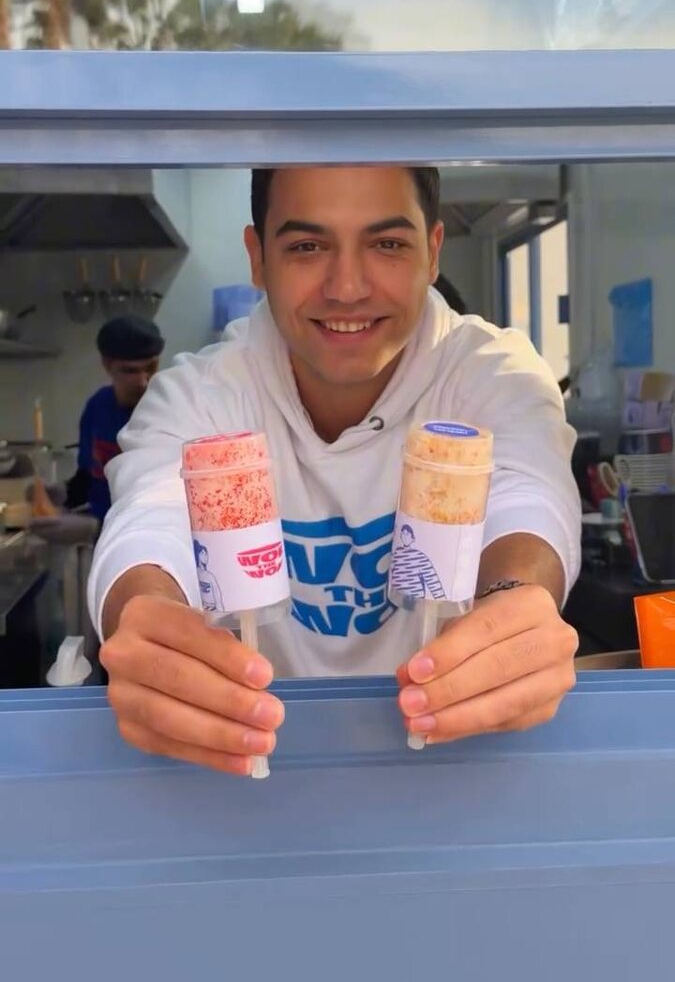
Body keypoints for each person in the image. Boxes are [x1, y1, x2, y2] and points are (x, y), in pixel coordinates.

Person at [91, 166, 580, 777]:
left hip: (453, 772)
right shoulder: (202, 394)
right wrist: (146, 618)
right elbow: (150, 516)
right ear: (258, 258)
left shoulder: (490, 374)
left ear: (432, 252)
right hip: (247, 778)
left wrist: (517, 600)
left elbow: (528, 492)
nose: (347, 288)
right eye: (307, 247)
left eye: (387, 244)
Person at [66, 315, 165, 521]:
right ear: (107, 365)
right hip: (104, 525)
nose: (143, 381)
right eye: (130, 371)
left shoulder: (166, 410)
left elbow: (165, 495)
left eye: (151, 368)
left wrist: (93, 528)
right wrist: (62, 496)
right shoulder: (97, 407)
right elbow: (88, 476)